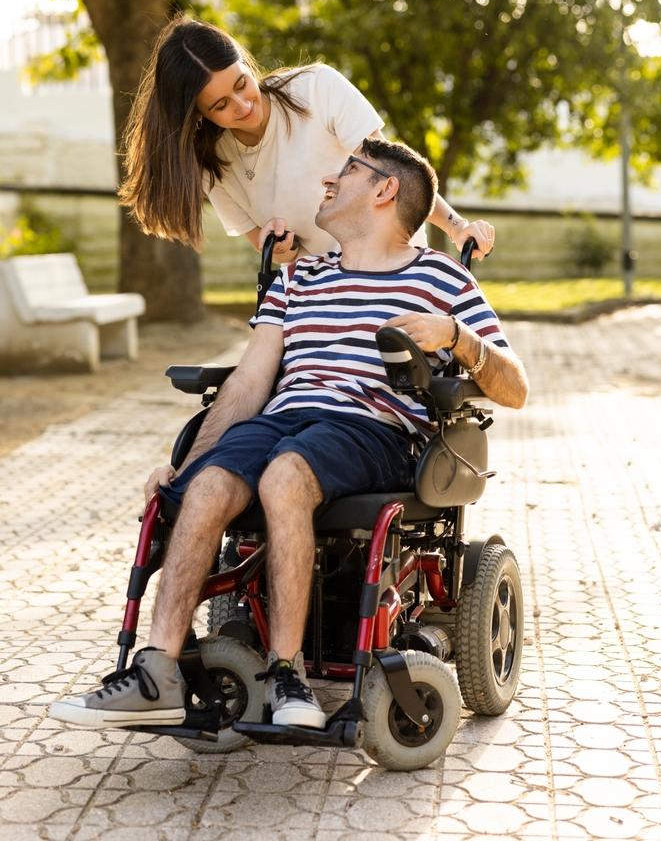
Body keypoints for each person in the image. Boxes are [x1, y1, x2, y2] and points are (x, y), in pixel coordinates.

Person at [50, 138, 527, 732]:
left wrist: (458, 336)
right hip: (281, 419)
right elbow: (250, 382)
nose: (329, 180)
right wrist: (190, 463)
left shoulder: (441, 279)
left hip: (370, 427)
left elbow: (515, 387)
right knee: (208, 486)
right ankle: (156, 673)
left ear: (385, 190)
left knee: (285, 475)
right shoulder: (298, 276)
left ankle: (285, 673)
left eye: (348, 171)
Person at [119, 16, 495, 264]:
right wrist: (279, 246)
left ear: (247, 66)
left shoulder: (317, 89)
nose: (242, 105)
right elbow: (273, 252)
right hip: (319, 296)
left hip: (390, 273)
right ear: (199, 115)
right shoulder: (213, 162)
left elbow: (395, 176)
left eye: (241, 84)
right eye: (220, 105)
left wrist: (458, 226)